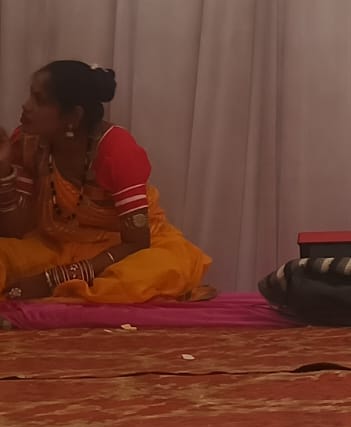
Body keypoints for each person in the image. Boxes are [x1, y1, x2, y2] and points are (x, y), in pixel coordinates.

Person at [0, 62, 211, 303]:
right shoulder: (27, 142)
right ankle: (70, 289)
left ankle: (71, 289)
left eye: (39, 99)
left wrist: (52, 279)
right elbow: (15, 230)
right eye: (30, 95)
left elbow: (137, 243)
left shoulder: (116, 150)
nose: (26, 105)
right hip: (55, 244)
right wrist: (3, 170)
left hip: (121, 250)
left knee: (138, 277)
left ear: (73, 116)